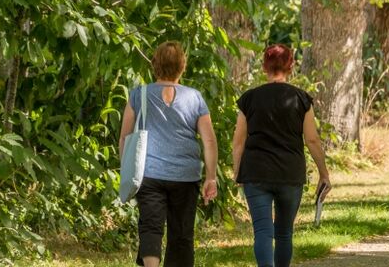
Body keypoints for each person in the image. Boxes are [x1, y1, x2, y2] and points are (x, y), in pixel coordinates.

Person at [119, 41, 218, 267]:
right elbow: (209, 140)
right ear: (182, 66)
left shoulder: (138, 94)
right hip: (186, 177)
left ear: (155, 65)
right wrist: (211, 177)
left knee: (150, 228)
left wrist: (127, 171)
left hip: (148, 173)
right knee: (182, 235)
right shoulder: (195, 98)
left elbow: (125, 137)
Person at [232, 44, 330, 267]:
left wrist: (238, 171)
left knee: (263, 233)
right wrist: (324, 174)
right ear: (291, 66)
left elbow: (238, 141)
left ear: (264, 66)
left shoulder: (249, 99)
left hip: (256, 173)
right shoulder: (301, 99)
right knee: (284, 233)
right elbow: (312, 140)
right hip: (290, 173)